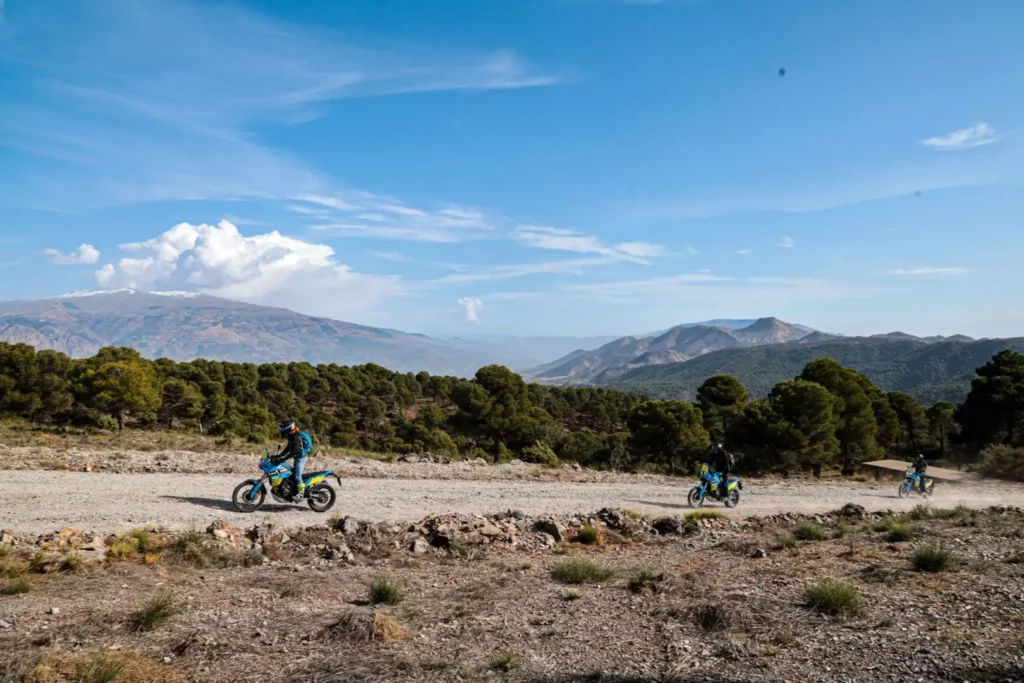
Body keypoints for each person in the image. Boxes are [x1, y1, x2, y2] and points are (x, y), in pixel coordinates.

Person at [277, 421, 308, 499]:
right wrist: (280, 455)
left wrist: (284, 458)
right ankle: (293, 490)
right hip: (297, 458)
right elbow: (288, 448)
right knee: (292, 474)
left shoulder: (296, 437)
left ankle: (301, 494)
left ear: (289, 428)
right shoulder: (291, 436)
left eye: (283, 428)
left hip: (301, 458)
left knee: (297, 476)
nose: (282, 429)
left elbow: (295, 451)